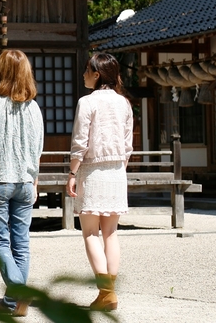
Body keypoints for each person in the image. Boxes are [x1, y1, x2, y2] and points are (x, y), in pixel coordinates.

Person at [0, 49, 44, 317]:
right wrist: (35, 182)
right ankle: (14, 302)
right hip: (25, 181)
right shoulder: (33, 107)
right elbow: (37, 149)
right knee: (21, 242)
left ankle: (18, 293)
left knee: (1, 242)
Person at [66, 52, 134, 312]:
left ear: (96, 74)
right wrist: (120, 169)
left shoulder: (87, 102)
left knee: (90, 233)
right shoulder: (124, 103)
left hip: (92, 171)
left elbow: (80, 142)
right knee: (111, 233)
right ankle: (110, 293)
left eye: (86, 70)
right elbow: (128, 145)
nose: (83, 74)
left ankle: (106, 293)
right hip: (117, 171)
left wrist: (72, 174)